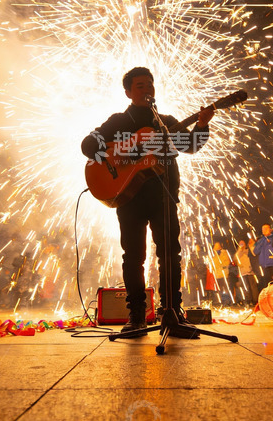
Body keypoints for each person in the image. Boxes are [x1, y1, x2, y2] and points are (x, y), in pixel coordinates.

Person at [80, 67, 214, 335]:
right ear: (128, 92)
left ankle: (172, 312)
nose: (146, 89)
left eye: (149, 84)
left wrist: (201, 124)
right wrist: (129, 144)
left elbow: (191, 145)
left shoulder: (164, 122)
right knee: (134, 257)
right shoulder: (118, 122)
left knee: (170, 255)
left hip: (163, 197)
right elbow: (87, 145)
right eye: (140, 86)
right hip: (129, 198)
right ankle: (137, 315)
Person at [254, 224, 273, 290]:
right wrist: (263, 240)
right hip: (264, 265)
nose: (264, 230)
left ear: (271, 229)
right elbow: (255, 251)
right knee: (267, 285)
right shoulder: (260, 240)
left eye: (266, 228)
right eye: (263, 229)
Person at [235, 239, 259, 305]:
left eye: (243, 244)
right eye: (240, 244)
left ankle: (255, 300)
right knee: (245, 287)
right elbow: (236, 259)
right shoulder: (238, 252)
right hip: (242, 272)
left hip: (250, 271)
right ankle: (248, 300)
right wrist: (240, 250)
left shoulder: (248, 251)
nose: (242, 245)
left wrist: (252, 268)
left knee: (253, 286)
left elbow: (252, 259)